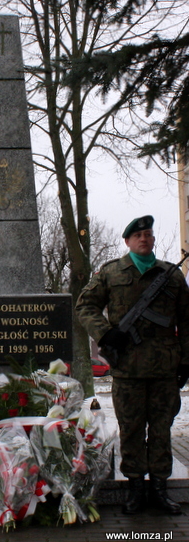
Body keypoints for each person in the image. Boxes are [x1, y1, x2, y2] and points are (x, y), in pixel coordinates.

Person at [76, 215, 189, 515]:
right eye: (138, 236)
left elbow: (187, 321)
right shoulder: (111, 273)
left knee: (162, 429)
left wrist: (186, 360)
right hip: (127, 369)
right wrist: (105, 332)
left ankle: (160, 489)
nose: (144, 239)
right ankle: (136, 488)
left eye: (149, 234)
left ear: (153, 239)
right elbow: (84, 306)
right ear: (127, 241)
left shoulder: (172, 276)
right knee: (131, 429)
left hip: (165, 368)